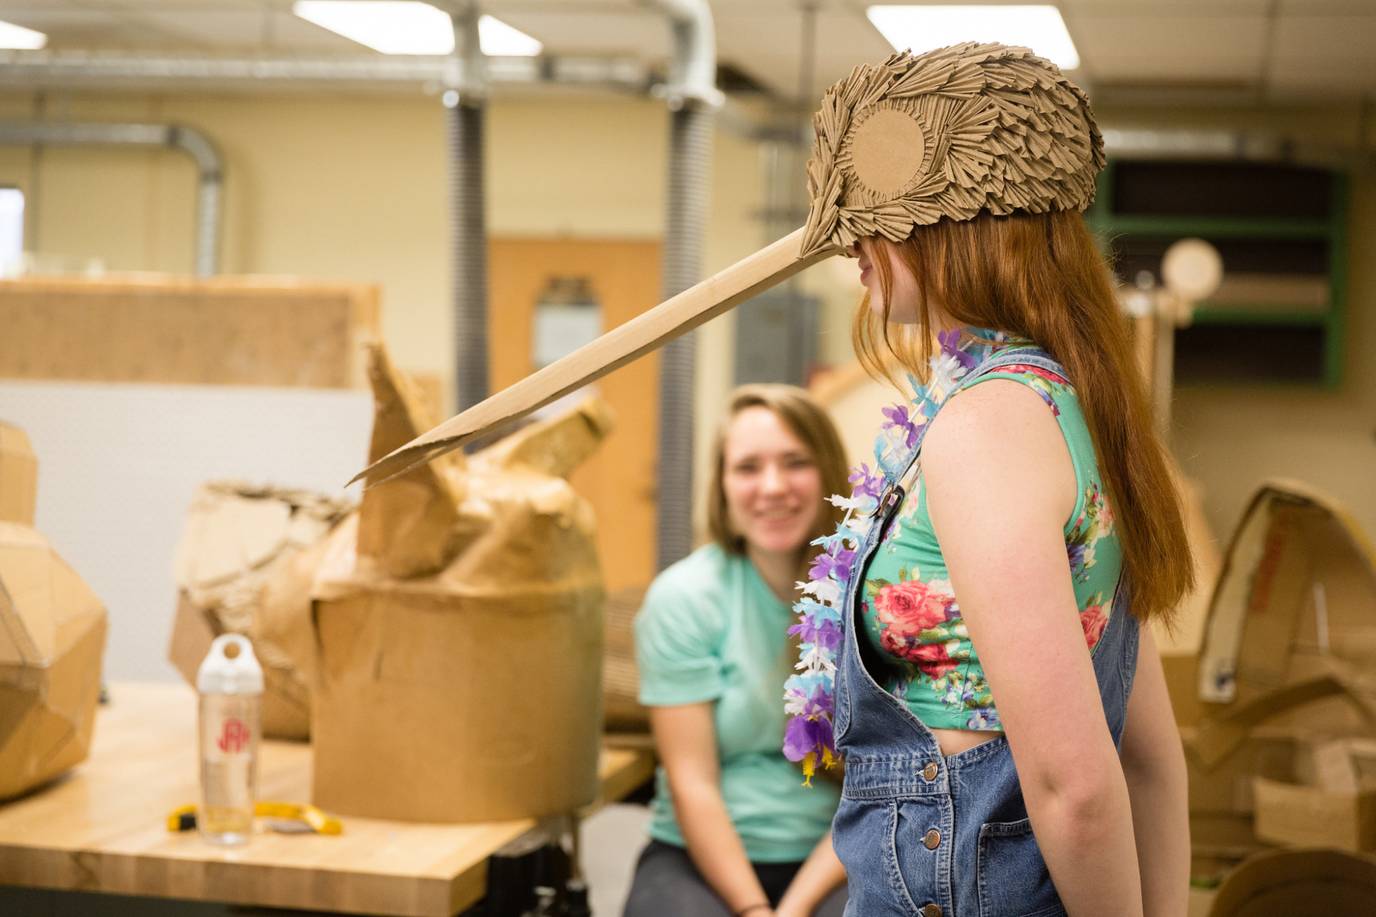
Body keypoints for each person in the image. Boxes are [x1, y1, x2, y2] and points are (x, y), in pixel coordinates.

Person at [783, 44, 1192, 916]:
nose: (850, 246)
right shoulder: (1066, 405)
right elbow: (1150, 756)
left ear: (948, 222)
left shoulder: (986, 427)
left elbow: (1078, 785)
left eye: (872, 216)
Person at [624, 385, 851, 917]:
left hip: (841, 852)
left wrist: (792, 909)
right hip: (697, 856)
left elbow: (875, 783)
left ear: (828, 470)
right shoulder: (684, 599)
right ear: (723, 485)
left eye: (795, 462)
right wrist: (752, 910)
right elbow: (691, 782)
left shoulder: (871, 597)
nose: (772, 487)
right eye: (748, 468)